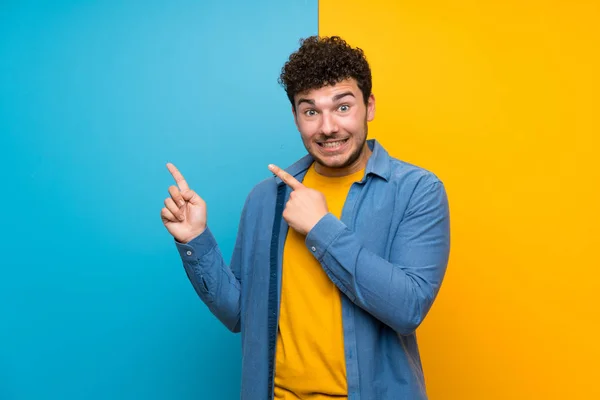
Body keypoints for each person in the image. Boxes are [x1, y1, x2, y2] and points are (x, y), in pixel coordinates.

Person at [161, 36, 450, 400]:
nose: (328, 127)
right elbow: (239, 315)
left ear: (369, 106)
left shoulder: (416, 190)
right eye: (310, 111)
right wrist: (195, 240)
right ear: (296, 116)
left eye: (343, 107)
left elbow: (408, 308)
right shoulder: (266, 198)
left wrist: (320, 228)